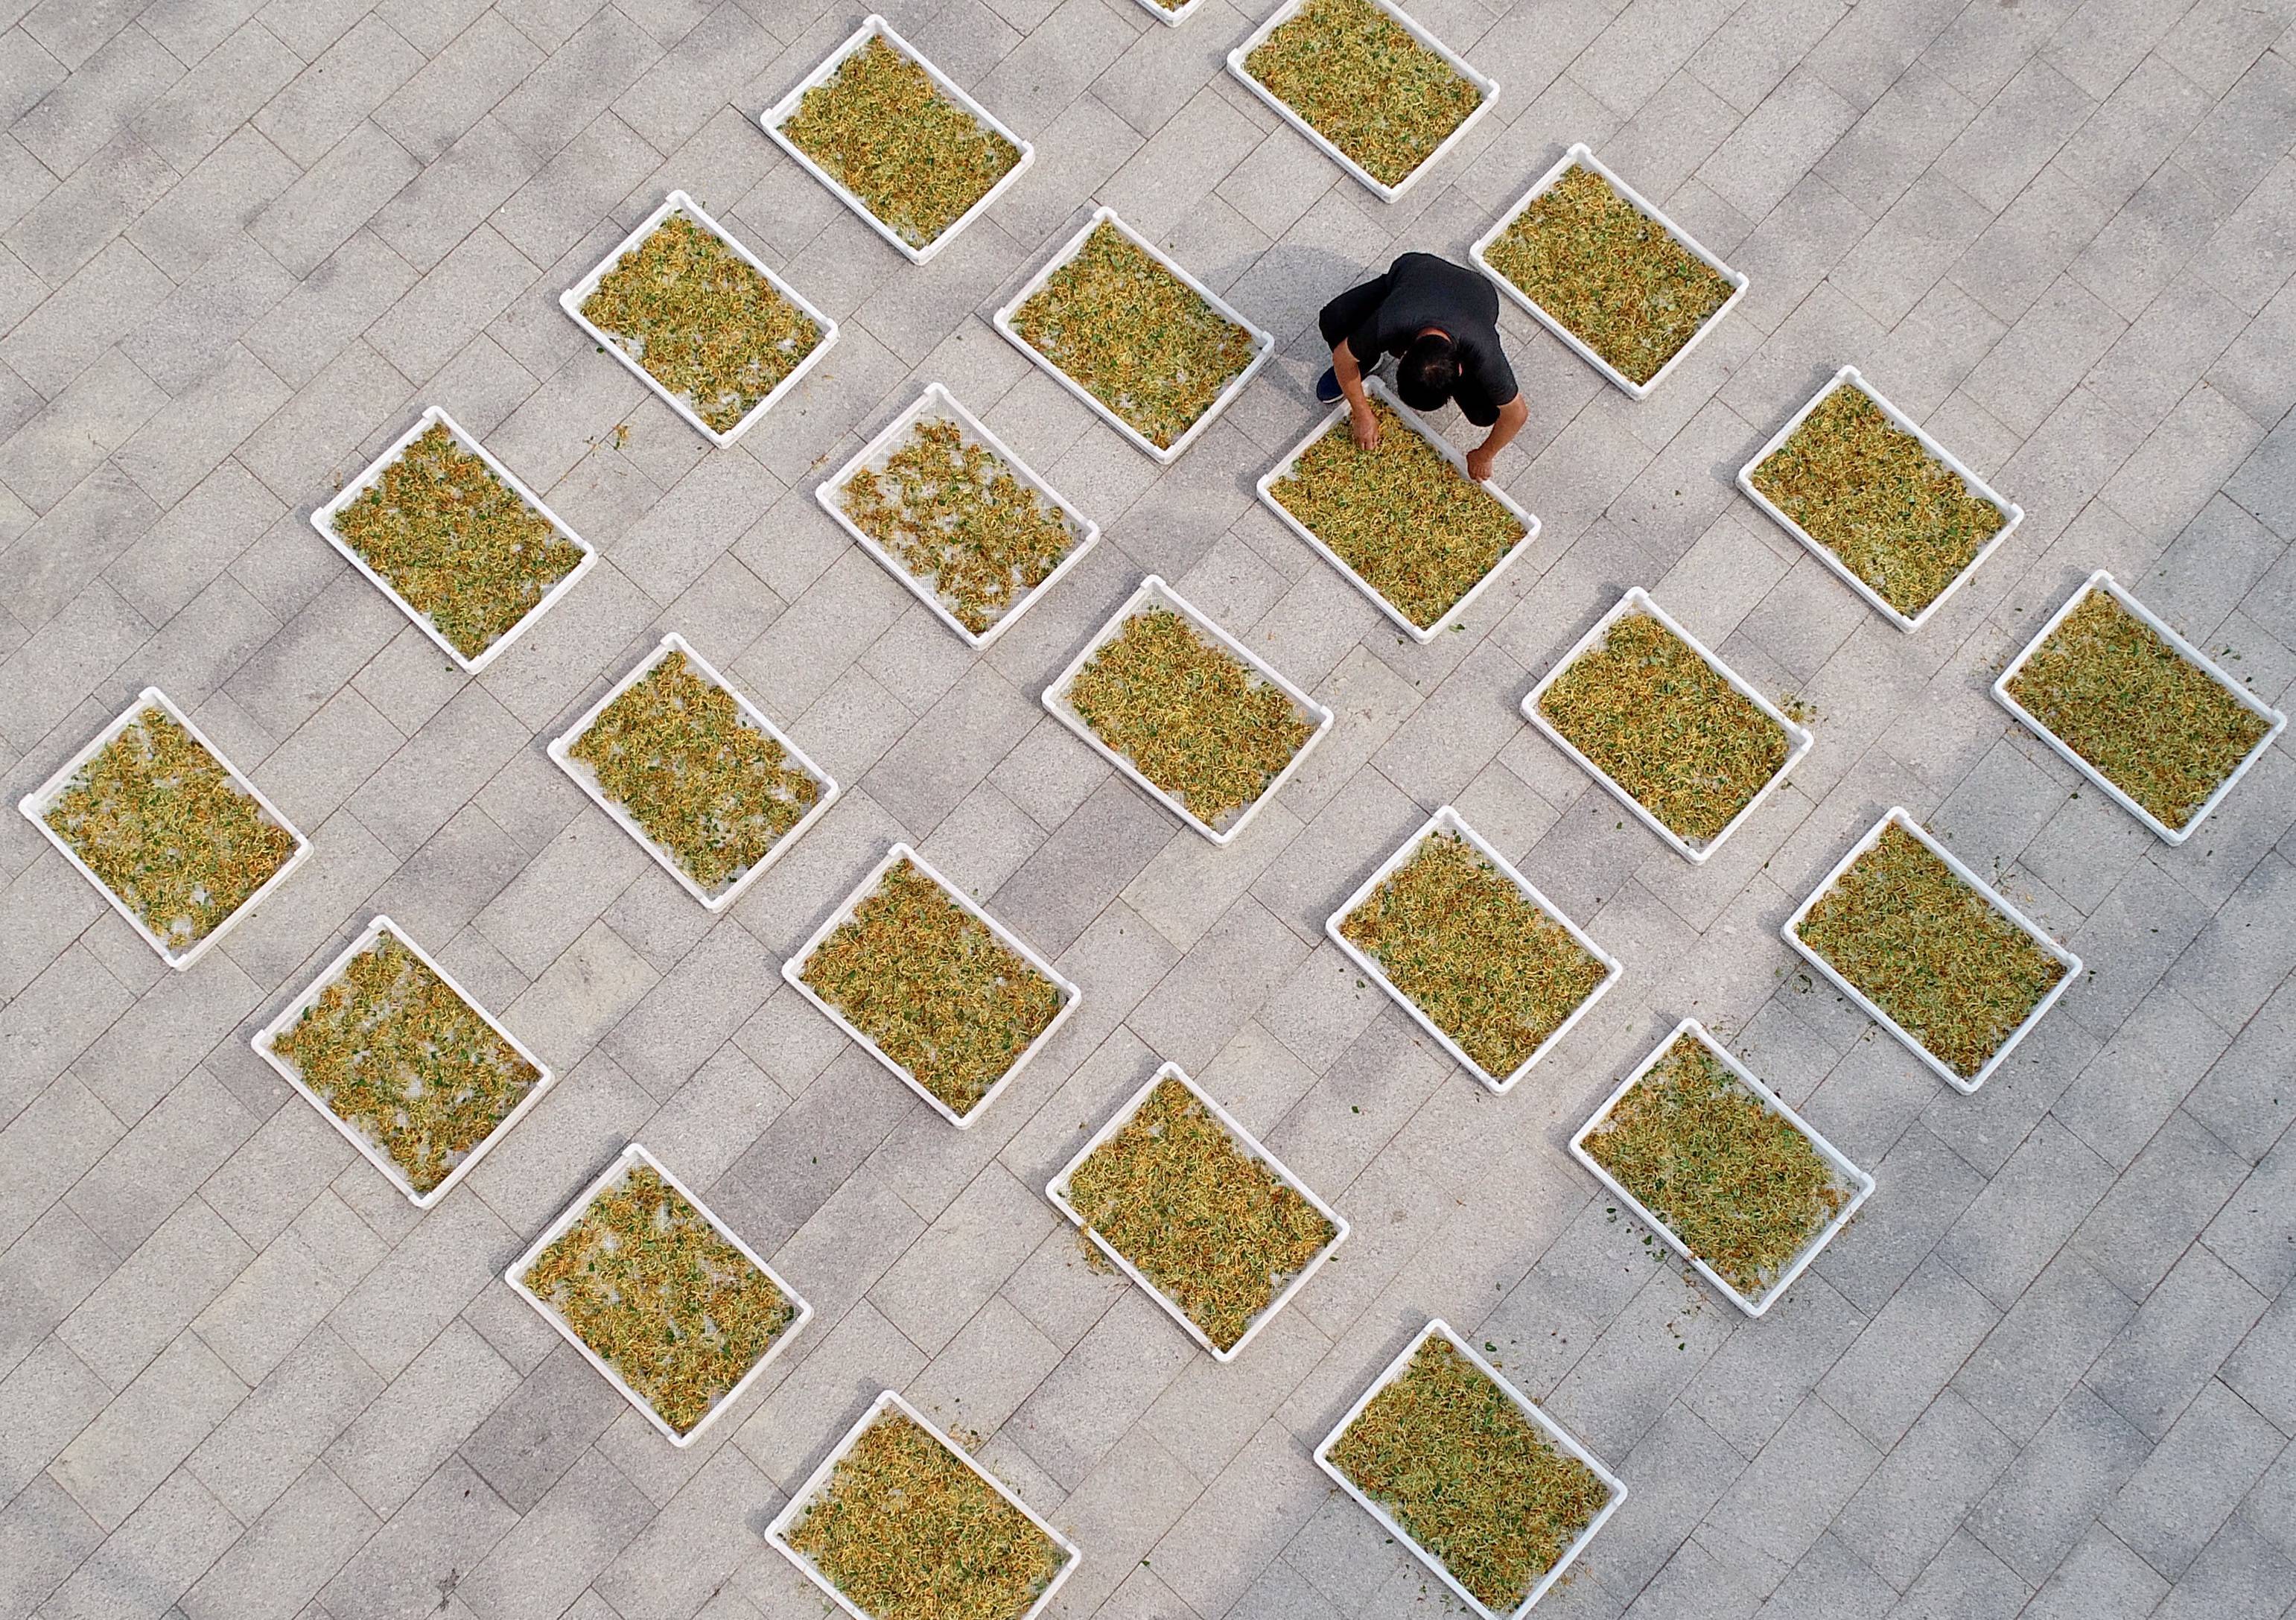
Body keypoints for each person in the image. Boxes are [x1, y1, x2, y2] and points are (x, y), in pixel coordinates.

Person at [1315, 251, 1529, 483]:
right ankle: (1368, 360)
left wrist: (1485, 455)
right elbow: (1343, 357)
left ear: (1460, 368)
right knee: (1334, 319)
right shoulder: (1391, 320)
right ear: (1403, 353)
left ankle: (1371, 362)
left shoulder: (1482, 347)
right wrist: (1362, 413)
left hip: (1476, 294)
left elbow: (1516, 414)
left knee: (1485, 413)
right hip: (1414, 275)